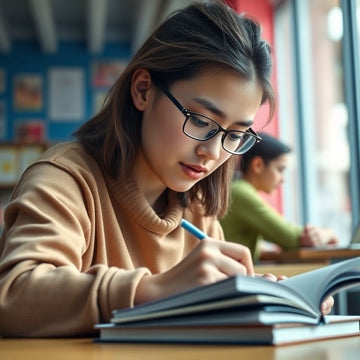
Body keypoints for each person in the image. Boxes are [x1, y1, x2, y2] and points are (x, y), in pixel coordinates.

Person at [0, 1, 333, 338]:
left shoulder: (200, 211)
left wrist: (252, 299)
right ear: (143, 90)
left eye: (234, 134)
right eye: (201, 121)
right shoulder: (65, 178)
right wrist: (155, 290)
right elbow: (15, 295)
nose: (212, 152)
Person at [220, 132, 338, 262]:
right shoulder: (241, 193)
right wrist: (329, 233)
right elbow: (294, 239)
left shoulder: (237, 189)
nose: (283, 179)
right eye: (280, 169)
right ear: (258, 165)